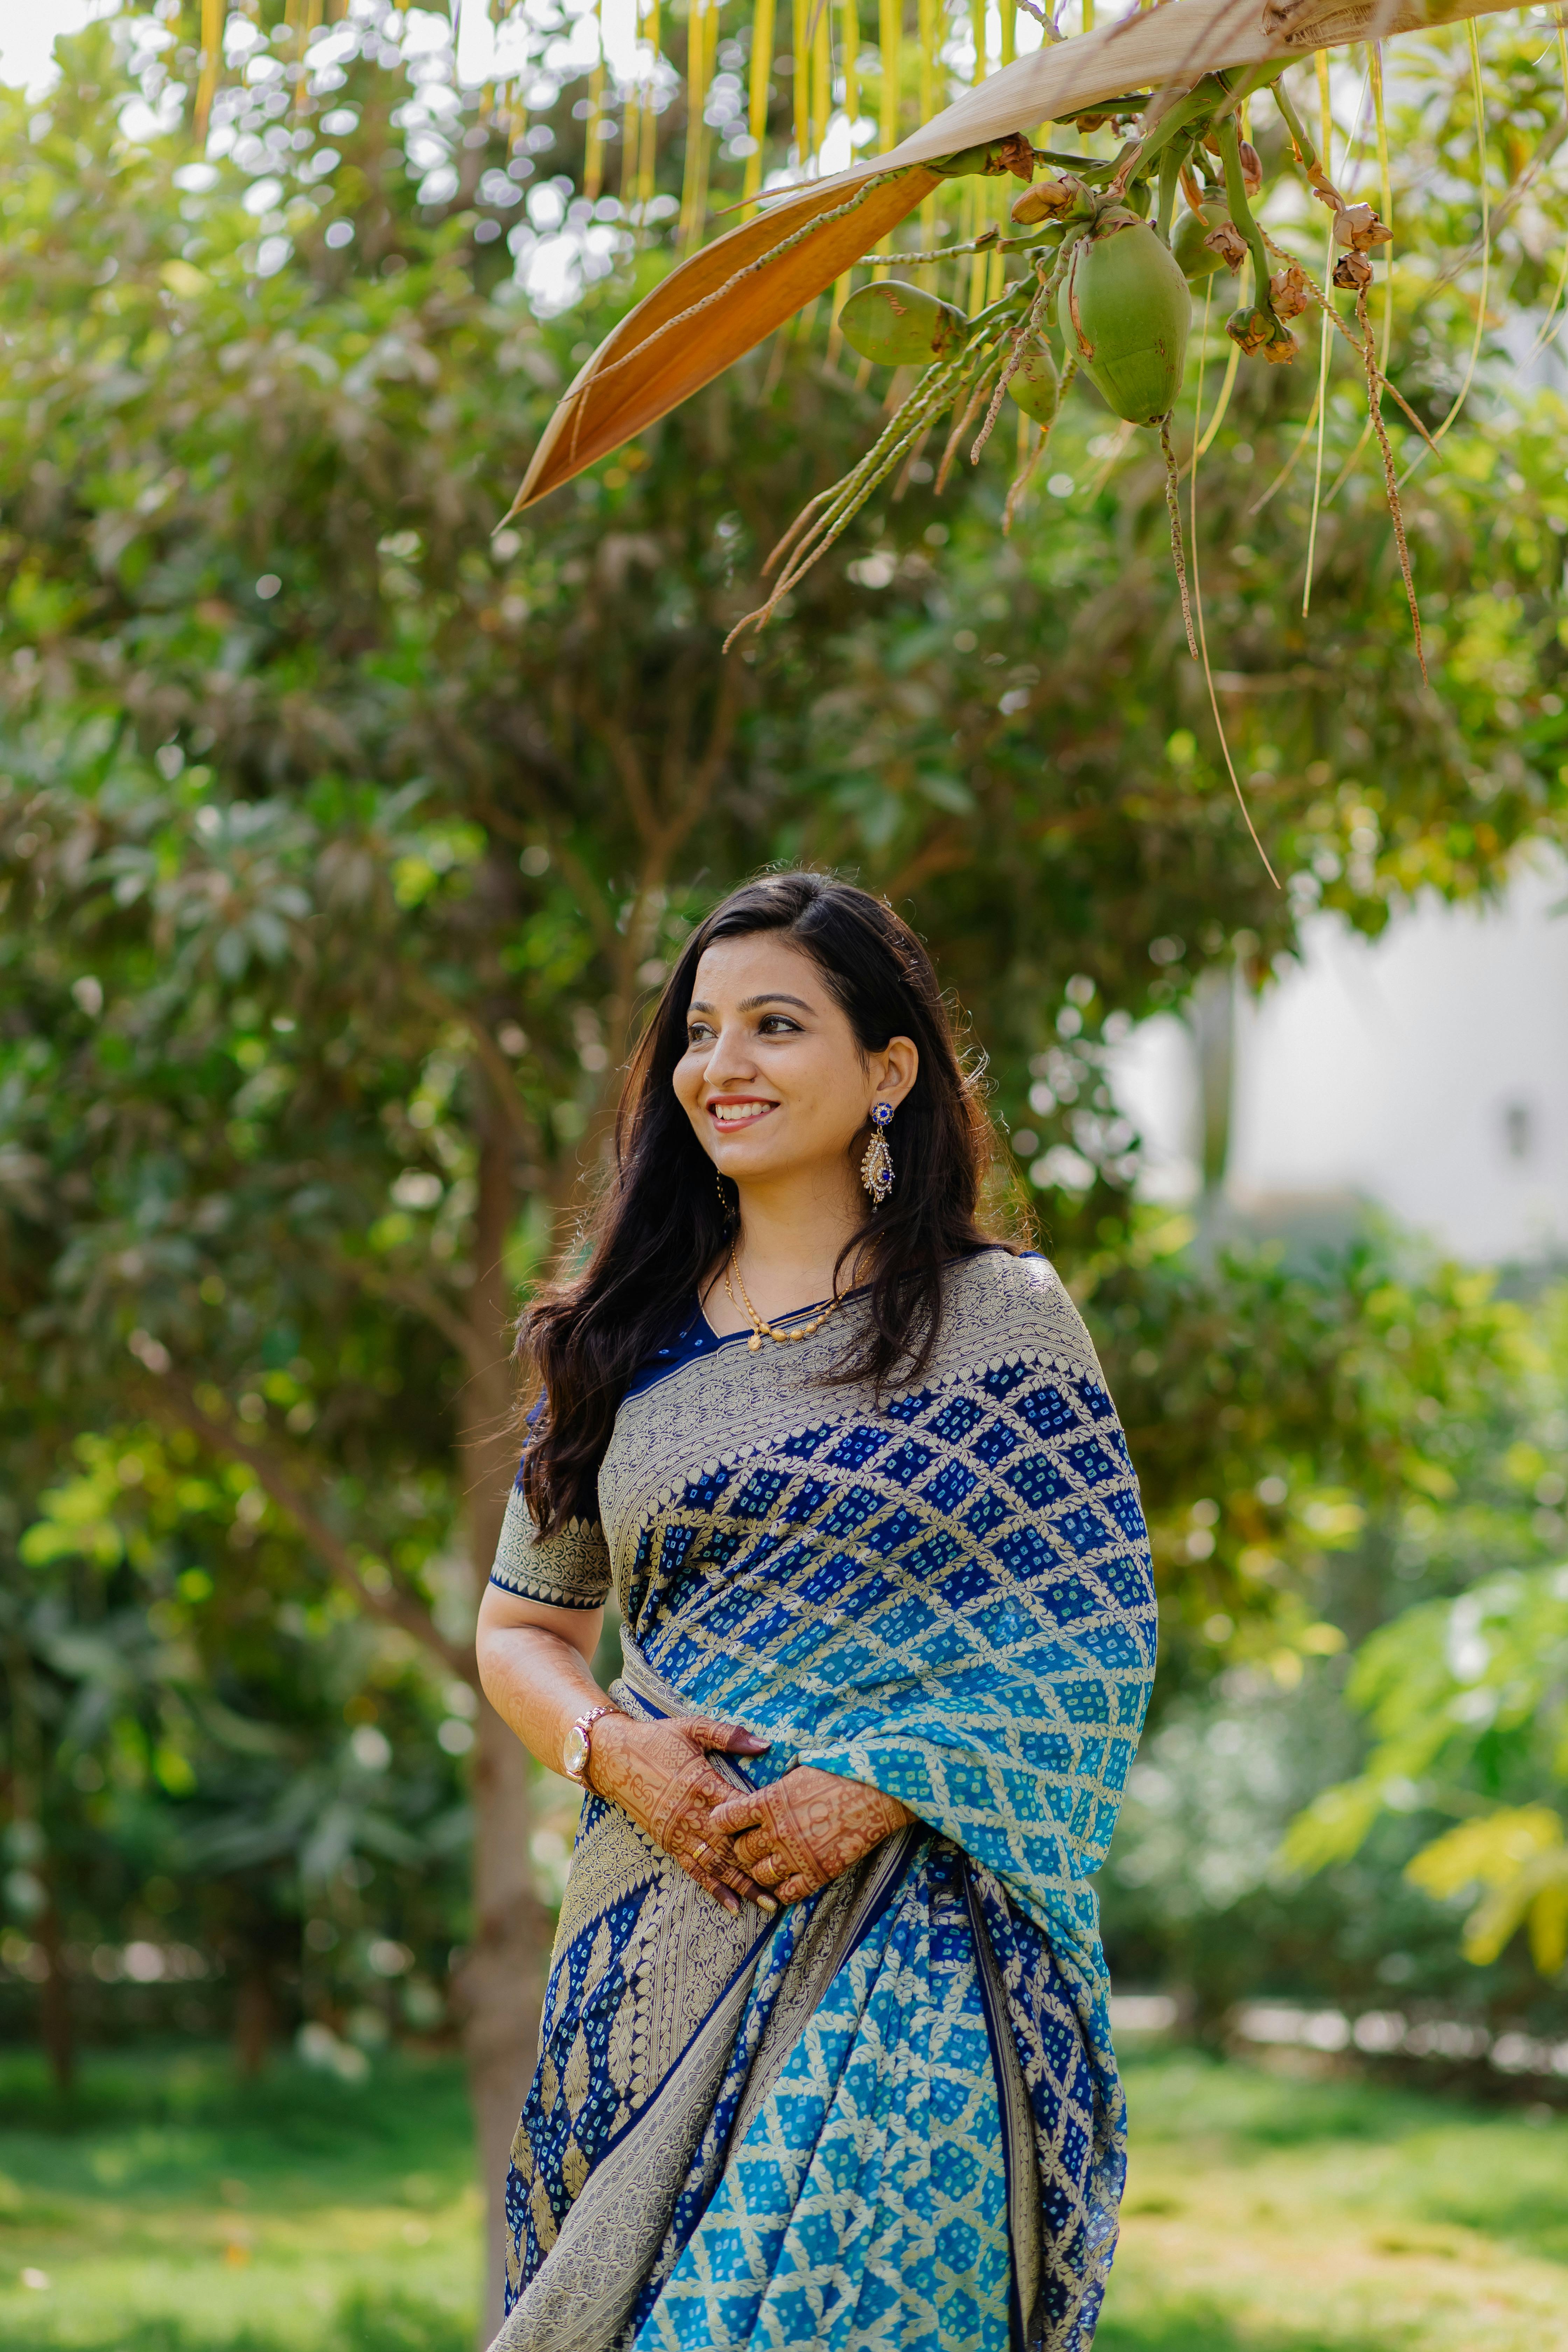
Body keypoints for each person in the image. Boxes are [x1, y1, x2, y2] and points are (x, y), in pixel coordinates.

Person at [476, 872, 1156, 2352]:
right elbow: (522, 1631)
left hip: (920, 1957)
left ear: (887, 1069)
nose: (722, 1065)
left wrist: (875, 1785)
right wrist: (616, 1753)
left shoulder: (1002, 1326)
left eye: (775, 1026)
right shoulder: (614, 1339)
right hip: (660, 1935)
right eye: (699, 1031)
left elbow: (1091, 1639)